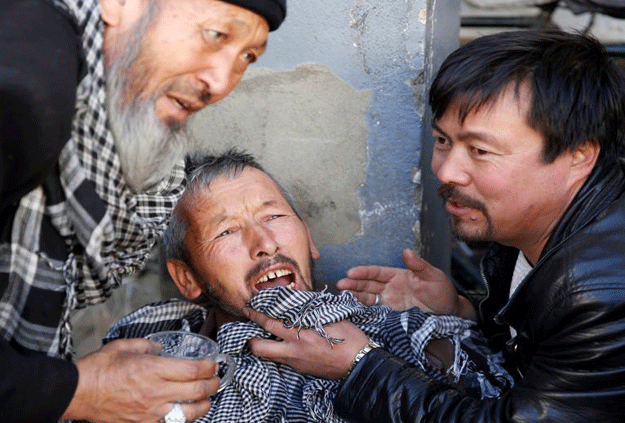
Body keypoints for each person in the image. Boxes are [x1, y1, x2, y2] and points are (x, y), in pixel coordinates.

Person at [245, 29, 625, 422]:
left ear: (577, 155)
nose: (446, 171)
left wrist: (359, 366)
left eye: (480, 150)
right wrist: (466, 310)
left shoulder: (602, 291)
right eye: (442, 140)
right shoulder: (533, 221)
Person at [0, 0, 286, 421]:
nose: (221, 82)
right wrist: (79, 391)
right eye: (215, 35)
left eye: (248, 57)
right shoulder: (24, 92)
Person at [104, 150, 513, 422]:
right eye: (227, 231)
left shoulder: (393, 335)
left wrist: (369, 361)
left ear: (309, 238)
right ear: (187, 279)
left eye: (274, 217)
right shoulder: (143, 342)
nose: (265, 245)